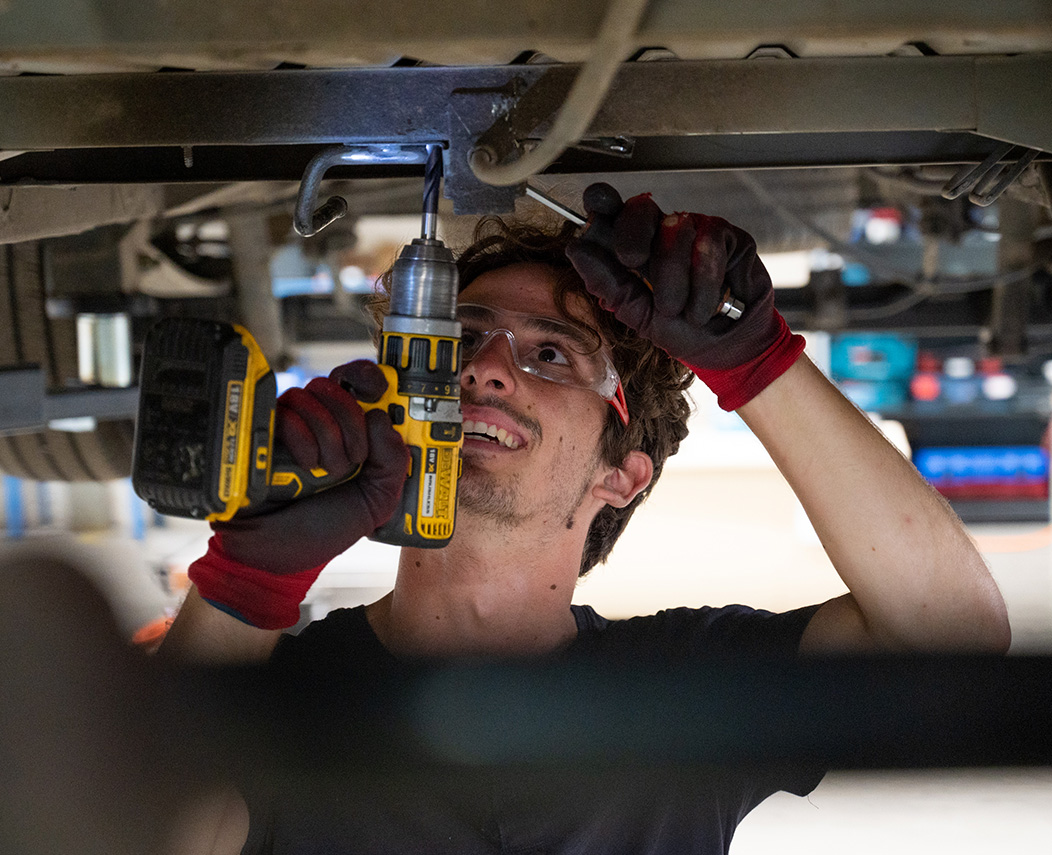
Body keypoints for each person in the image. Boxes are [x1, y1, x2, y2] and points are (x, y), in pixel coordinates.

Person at [159, 183, 1011, 854]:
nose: (487, 368)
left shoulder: (682, 701)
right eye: (459, 338)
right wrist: (249, 581)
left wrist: (757, 360)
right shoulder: (283, 696)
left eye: (551, 353)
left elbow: (957, 635)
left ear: (622, 471)